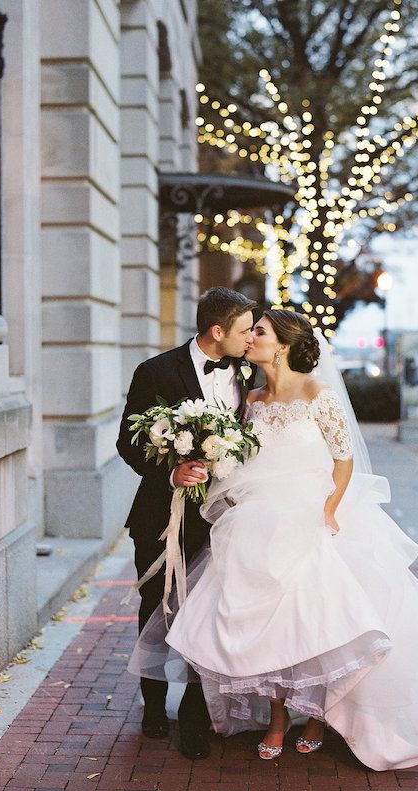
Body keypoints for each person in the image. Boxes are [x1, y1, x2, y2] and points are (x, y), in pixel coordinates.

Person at [128, 310, 418, 770]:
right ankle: (277, 720)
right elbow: (241, 457)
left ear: (282, 345)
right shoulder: (253, 398)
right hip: (256, 520)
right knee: (272, 626)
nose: (251, 340)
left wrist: (328, 510)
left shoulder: (319, 395)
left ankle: (319, 718)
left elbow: (343, 460)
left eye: (259, 332)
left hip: (310, 518)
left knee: (318, 623)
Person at [117, 286, 257, 760]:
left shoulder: (248, 372)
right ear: (217, 331)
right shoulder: (155, 371)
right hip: (161, 515)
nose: (250, 338)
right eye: (243, 329)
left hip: (224, 518)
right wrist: (170, 470)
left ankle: (196, 715)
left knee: (212, 614)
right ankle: (153, 707)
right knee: (155, 607)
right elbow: (127, 442)